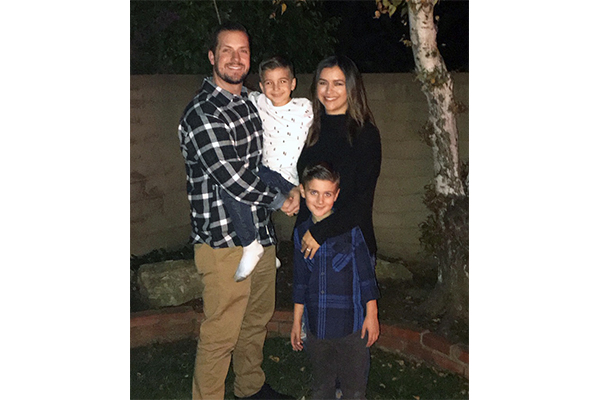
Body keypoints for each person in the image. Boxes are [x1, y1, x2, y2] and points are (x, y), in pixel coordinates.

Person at [178, 21, 297, 400]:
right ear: (212, 57)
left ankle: (251, 388)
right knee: (220, 335)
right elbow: (233, 178)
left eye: (242, 51)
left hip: (259, 238)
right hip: (224, 244)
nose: (235, 58)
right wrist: (282, 200)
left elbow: (264, 160)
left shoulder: (248, 102)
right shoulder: (202, 113)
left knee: (254, 324)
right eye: (226, 50)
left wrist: (290, 187)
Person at [290, 162, 381, 399]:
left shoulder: (351, 230)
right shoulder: (300, 233)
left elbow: (366, 275)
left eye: (327, 194)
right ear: (303, 191)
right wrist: (297, 321)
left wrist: (371, 314)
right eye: (314, 192)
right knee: (321, 386)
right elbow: (300, 279)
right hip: (317, 327)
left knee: (354, 389)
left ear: (336, 195)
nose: (320, 201)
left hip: (351, 328)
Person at [223, 55, 312, 282]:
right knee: (237, 189)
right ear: (262, 86)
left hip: (288, 178)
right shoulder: (258, 102)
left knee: (233, 186)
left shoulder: (305, 108)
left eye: (283, 81)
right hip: (265, 171)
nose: (276, 88)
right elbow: (239, 89)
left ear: (293, 84)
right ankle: (262, 251)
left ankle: (252, 246)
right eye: (269, 83)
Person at [295, 55, 382, 266]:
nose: (328, 91)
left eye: (338, 83)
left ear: (351, 88)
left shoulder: (365, 135)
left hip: (350, 246)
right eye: (323, 83)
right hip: (309, 242)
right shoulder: (308, 128)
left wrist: (321, 231)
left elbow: (362, 201)